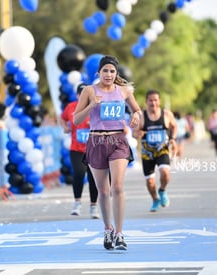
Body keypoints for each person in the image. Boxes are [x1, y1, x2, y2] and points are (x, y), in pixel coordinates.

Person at [73, 55, 141, 251]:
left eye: (112, 71)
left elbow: (137, 110)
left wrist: (136, 116)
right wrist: (91, 106)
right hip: (96, 140)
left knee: (117, 187)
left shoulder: (124, 91)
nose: (109, 74)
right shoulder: (88, 91)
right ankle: (107, 229)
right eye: (105, 71)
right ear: (98, 73)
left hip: (117, 140)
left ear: (116, 73)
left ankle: (119, 233)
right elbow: (76, 120)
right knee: (103, 191)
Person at [132, 90, 177, 212]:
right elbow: (134, 133)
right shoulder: (141, 116)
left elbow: (174, 126)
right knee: (150, 182)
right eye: (150, 100)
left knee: (165, 173)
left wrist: (172, 138)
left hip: (162, 150)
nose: (153, 103)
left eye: (155, 100)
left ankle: (162, 190)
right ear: (146, 101)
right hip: (147, 153)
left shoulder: (167, 114)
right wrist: (138, 133)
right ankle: (155, 199)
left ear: (159, 101)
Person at [60, 83, 99, 219]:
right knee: (79, 173)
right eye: (82, 95)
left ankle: (93, 206)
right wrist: (65, 127)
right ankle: (77, 203)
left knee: (93, 177)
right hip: (76, 148)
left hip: (94, 148)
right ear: (77, 96)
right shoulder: (71, 107)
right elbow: (62, 118)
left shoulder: (96, 107)